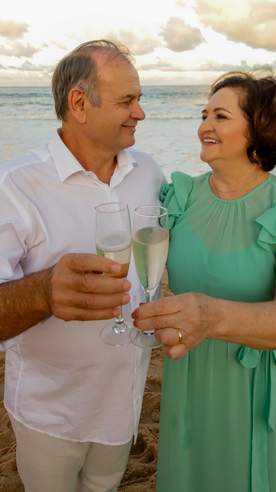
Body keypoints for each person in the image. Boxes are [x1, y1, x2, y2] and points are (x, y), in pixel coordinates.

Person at [136, 71, 276, 490]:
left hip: (253, 384)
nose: (204, 126)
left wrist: (210, 317)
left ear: (257, 130)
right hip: (189, 370)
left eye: (221, 116)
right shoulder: (181, 196)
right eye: (204, 114)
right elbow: (143, 275)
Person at [0, 39, 147, 490]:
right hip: (50, 415)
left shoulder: (151, 172)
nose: (140, 113)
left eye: (139, 99)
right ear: (79, 104)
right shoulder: (16, 186)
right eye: (128, 101)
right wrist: (43, 291)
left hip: (125, 406)